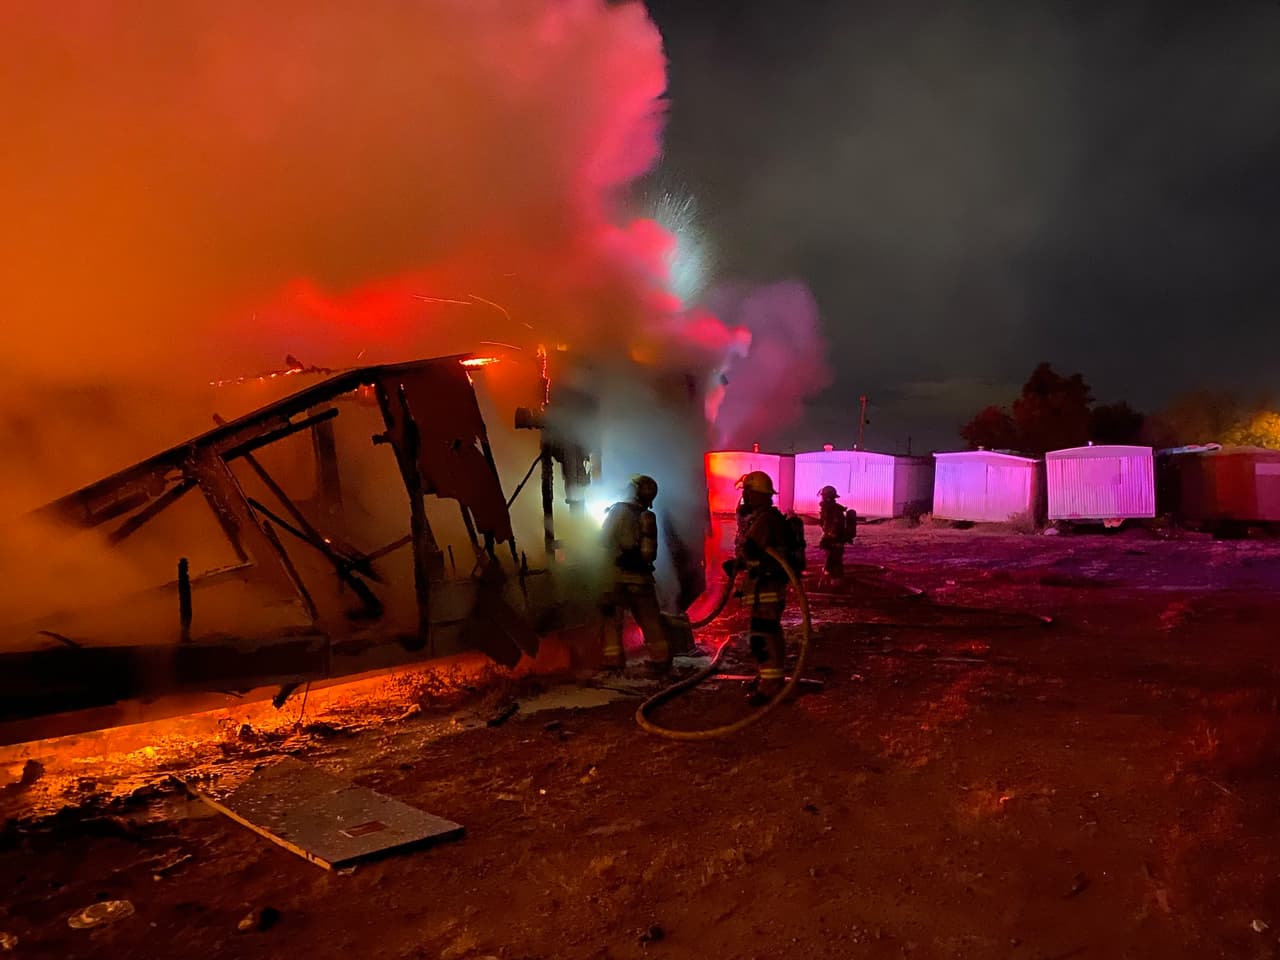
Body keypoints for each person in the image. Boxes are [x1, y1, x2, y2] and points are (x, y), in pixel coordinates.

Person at [599, 474, 670, 674]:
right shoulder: (648, 516)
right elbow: (651, 553)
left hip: (617, 578)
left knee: (612, 619)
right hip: (642, 579)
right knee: (650, 620)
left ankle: (613, 662)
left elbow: (603, 539)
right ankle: (662, 660)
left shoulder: (618, 510)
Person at [732, 470, 791, 705]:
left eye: (747, 491)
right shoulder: (766, 517)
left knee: (762, 636)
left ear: (756, 494)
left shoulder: (765, 520)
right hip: (766, 586)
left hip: (766, 587)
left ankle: (770, 686)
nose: (744, 496)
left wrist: (741, 557)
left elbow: (752, 550)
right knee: (769, 632)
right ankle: (769, 678)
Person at [818, 485, 850, 577]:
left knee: (834, 564)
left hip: (834, 541)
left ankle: (835, 581)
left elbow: (835, 527)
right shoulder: (829, 509)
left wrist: (830, 538)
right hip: (832, 540)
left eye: (824, 496)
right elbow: (825, 524)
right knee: (832, 562)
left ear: (828, 497)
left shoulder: (833, 510)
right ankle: (832, 576)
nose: (822, 498)